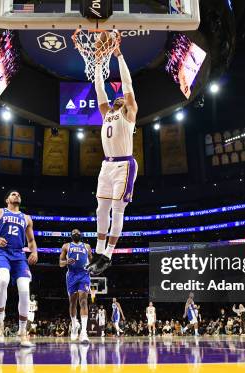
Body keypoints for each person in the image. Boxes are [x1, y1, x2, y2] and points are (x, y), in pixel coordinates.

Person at [88, 40, 138, 276]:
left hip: (124, 165)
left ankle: (108, 255)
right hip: (106, 165)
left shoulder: (129, 113)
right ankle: (98, 252)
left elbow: (127, 85)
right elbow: (99, 88)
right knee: (101, 210)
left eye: (121, 97)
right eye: (116, 97)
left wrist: (118, 56)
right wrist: (98, 62)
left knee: (118, 211)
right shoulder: (107, 113)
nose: (118, 97)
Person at [0, 190, 38, 347]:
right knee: (4, 279)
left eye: (18, 194)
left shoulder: (26, 218)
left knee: (25, 289)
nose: (16, 195)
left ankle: (22, 332)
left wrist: (34, 252)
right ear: (7, 199)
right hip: (1, 253)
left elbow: (31, 240)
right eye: (13, 194)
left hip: (19, 256)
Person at [59, 229, 92, 343]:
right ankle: (74, 326)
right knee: (72, 302)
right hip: (72, 276)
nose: (76, 233)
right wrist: (66, 261)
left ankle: (84, 332)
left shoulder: (87, 246)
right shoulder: (66, 246)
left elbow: (92, 263)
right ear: (71, 235)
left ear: (81, 235)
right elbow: (60, 263)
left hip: (84, 275)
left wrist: (94, 268)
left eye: (78, 232)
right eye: (74, 232)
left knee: (83, 301)